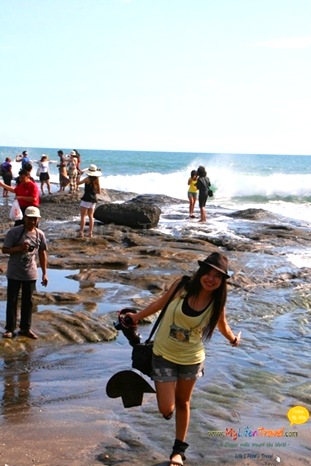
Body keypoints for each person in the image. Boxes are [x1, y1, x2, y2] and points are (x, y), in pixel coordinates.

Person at [126, 252, 241, 466]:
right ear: (200, 272)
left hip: (191, 359)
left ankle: (178, 452)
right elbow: (159, 304)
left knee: (183, 402)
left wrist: (233, 339)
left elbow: (222, 325)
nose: (210, 279)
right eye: (207, 273)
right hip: (162, 354)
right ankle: (163, 390)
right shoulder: (182, 286)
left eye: (217, 276)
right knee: (166, 409)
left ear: (222, 281)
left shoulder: (217, 303)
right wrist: (136, 317)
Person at [2, 206, 48, 339]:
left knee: (28, 302)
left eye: (34, 219)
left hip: (30, 273)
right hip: (14, 272)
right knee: (12, 301)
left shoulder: (40, 234)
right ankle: (10, 328)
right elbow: (4, 249)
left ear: (38, 219)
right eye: (29, 219)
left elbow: (42, 253)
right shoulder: (14, 233)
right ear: (24, 218)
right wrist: (19, 248)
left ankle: (25, 328)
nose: (32, 222)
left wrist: (45, 273)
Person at [77, 164, 101, 238]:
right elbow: (98, 191)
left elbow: (78, 183)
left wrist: (79, 175)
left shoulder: (87, 179)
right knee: (91, 216)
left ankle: (81, 232)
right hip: (93, 199)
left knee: (83, 216)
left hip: (86, 198)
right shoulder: (97, 179)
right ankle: (90, 233)